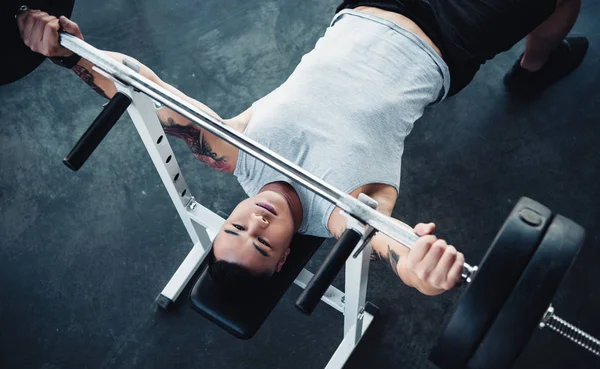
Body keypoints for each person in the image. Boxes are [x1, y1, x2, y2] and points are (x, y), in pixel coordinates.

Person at [16, 0, 587, 296]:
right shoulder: (340, 210)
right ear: (286, 257)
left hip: (368, 5)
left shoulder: (230, 152)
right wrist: (421, 270)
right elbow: (387, 243)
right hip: (455, 31)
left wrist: (67, 53)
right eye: (263, 246)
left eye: (234, 230)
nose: (254, 225)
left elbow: (149, 92)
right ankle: (534, 68)